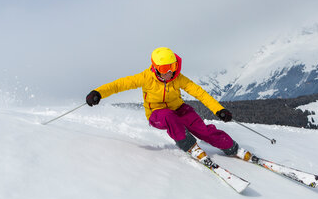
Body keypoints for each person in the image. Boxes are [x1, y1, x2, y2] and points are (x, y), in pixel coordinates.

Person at [86, 47, 249, 164]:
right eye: (165, 68)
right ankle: (190, 146)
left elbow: (199, 93)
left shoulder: (178, 78)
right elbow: (119, 84)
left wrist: (218, 110)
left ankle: (231, 148)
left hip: (179, 109)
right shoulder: (145, 78)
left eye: (172, 66)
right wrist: (98, 93)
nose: (169, 71)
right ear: (155, 68)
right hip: (157, 114)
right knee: (169, 117)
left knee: (202, 129)